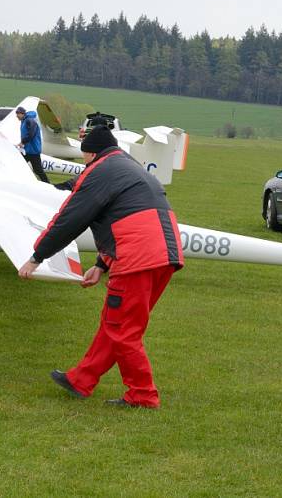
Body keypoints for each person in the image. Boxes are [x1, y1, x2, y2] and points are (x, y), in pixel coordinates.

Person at [18, 125, 184, 408]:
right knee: (116, 323)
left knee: (123, 330)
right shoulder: (129, 166)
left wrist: (36, 257)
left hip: (137, 258)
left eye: (84, 158)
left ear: (91, 154)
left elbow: (70, 218)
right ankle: (81, 380)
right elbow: (121, 215)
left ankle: (143, 396)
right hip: (165, 253)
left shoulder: (97, 172)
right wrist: (101, 265)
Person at [15, 106, 50, 183]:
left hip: (33, 151)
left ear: (22, 113)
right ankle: (19, 181)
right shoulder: (24, 121)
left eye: (17, 114)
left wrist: (23, 142)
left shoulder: (30, 120)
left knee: (38, 170)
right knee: (18, 165)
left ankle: (48, 185)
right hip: (27, 150)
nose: (16, 116)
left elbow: (31, 134)